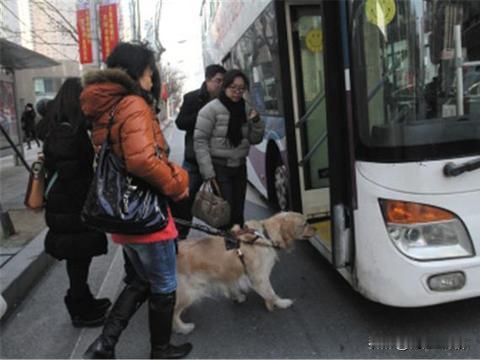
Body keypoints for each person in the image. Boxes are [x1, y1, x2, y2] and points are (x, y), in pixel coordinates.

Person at [81, 42, 192, 359]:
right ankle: (160, 350)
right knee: (164, 284)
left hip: (125, 213)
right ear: (134, 72)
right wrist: (178, 183)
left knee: (140, 281)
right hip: (146, 216)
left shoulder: (109, 107)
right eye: (148, 72)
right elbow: (142, 161)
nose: (152, 78)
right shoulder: (133, 105)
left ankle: (104, 344)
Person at [36, 78, 111, 327]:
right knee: (78, 259)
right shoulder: (67, 133)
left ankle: (84, 299)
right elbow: (71, 175)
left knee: (79, 258)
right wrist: (92, 202)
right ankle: (79, 309)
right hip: (72, 207)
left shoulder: (62, 129)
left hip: (67, 205)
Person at [194, 69, 265, 229]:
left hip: (240, 166)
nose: (237, 92)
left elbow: (255, 139)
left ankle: (238, 250)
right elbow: (200, 141)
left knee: (239, 213)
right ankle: (227, 248)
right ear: (225, 87)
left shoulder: (246, 109)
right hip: (220, 168)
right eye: (233, 87)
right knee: (225, 213)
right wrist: (208, 172)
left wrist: (257, 122)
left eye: (241, 88)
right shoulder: (210, 110)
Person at [173, 64, 226, 238]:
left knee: (224, 203)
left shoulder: (227, 99)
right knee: (184, 201)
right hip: (194, 160)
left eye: (223, 81)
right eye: (218, 81)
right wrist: (203, 116)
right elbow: (180, 123)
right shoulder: (192, 98)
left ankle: (226, 241)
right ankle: (179, 239)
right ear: (207, 80)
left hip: (219, 161)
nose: (221, 85)